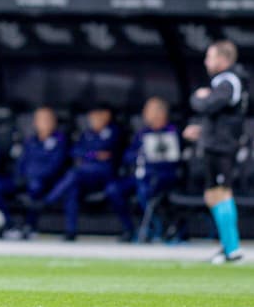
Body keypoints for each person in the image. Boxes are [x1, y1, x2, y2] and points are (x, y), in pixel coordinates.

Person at [183, 41, 247, 264]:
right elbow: (223, 117)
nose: (206, 62)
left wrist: (199, 97)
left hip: (222, 148)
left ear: (223, 60)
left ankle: (233, 248)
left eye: (210, 57)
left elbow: (208, 105)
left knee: (221, 193)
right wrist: (202, 132)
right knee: (213, 195)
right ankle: (227, 246)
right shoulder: (225, 81)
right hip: (216, 144)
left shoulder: (228, 81)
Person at [35, 106, 120, 241]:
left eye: (97, 115)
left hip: (105, 174)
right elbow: (75, 151)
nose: (93, 119)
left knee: (74, 174)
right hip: (86, 176)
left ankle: (48, 200)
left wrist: (88, 156)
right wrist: (95, 154)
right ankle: (71, 231)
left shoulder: (113, 132)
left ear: (106, 115)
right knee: (72, 188)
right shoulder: (87, 134)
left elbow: (112, 153)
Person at [105, 97, 180, 242]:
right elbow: (128, 155)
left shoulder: (170, 131)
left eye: (148, 110)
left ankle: (157, 228)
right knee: (113, 189)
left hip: (162, 176)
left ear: (160, 113)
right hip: (140, 176)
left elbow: (170, 159)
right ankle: (129, 228)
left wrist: (147, 156)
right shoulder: (143, 132)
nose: (144, 113)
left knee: (144, 190)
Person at [14, 107, 68, 239]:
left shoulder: (59, 140)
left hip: (50, 182)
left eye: (47, 119)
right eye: (40, 119)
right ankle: (10, 225)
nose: (44, 123)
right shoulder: (30, 140)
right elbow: (21, 163)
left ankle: (29, 226)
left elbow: (56, 166)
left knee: (36, 186)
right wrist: (21, 178)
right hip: (28, 179)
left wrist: (34, 176)